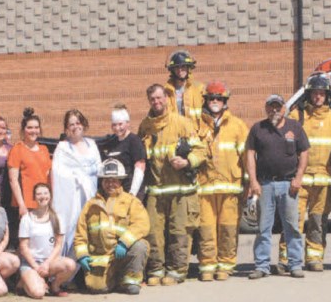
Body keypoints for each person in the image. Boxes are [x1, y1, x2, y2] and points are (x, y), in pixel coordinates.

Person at [138, 83, 207, 286]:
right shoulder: (145, 126)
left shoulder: (182, 123)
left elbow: (201, 151)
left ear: (167, 99)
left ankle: (177, 271)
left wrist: (187, 162)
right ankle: (156, 270)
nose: (157, 102)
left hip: (181, 191)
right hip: (156, 191)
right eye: (152, 99)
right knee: (153, 233)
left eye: (160, 98)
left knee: (179, 231)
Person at [278, 72, 331, 272]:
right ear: (309, 94)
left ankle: (314, 258)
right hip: (300, 179)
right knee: (293, 221)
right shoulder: (297, 116)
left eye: (321, 93)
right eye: (314, 93)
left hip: (324, 180)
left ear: (327, 95)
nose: (318, 97)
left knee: (318, 221)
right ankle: (287, 258)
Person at [246, 94, 310, 280]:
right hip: (265, 184)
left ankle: (295, 264)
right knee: (263, 227)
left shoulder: (295, 127)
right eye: (271, 107)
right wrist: (253, 181)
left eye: (278, 107)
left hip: (288, 184)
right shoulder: (258, 128)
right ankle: (262, 265)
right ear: (266, 108)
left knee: (292, 226)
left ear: (284, 108)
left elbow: (304, 153)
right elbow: (250, 154)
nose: (275, 110)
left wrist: (298, 178)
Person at [196, 80, 249, 281]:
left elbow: (246, 157)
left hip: (230, 188)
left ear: (225, 100)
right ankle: (208, 266)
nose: (215, 101)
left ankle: (225, 265)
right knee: (207, 229)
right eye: (212, 98)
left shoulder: (237, 125)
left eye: (219, 98)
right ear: (206, 100)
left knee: (228, 228)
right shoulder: (197, 124)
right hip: (205, 188)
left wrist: (247, 183)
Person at [74, 159, 150, 295]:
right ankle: (114, 281)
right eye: (106, 180)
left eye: (114, 180)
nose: (110, 184)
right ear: (101, 182)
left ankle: (130, 281)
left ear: (120, 181)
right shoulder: (90, 205)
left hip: (122, 253)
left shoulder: (131, 201)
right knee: (97, 289)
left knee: (140, 245)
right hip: (102, 258)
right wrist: (82, 255)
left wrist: (124, 242)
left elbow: (142, 224)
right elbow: (81, 233)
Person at [51, 109, 101, 257]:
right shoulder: (63, 148)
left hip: (90, 195)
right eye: (71, 124)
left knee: (90, 229)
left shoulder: (92, 144)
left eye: (78, 122)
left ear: (83, 124)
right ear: (67, 128)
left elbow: (99, 167)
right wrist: (77, 177)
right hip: (71, 199)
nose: (75, 126)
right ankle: (67, 270)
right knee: (72, 229)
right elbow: (58, 172)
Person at [17, 183, 77, 299]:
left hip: (49, 263)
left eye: (45, 193)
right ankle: (23, 282)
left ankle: (54, 286)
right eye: (39, 194)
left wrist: (46, 264)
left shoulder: (58, 218)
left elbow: (58, 245)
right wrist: (36, 267)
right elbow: (23, 247)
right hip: (31, 263)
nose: (42, 196)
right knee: (38, 293)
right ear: (34, 197)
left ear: (50, 196)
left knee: (70, 265)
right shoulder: (27, 218)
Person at [7, 107, 52, 220]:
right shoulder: (17, 149)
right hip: (27, 204)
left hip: (43, 202)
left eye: (36, 127)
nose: (33, 131)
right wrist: (21, 205)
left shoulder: (44, 149)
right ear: (23, 130)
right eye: (30, 127)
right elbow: (13, 180)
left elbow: (48, 176)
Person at [101, 103, 147, 199]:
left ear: (128, 123)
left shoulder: (134, 141)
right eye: (114, 125)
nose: (117, 128)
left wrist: (133, 193)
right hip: (115, 193)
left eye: (120, 124)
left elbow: (140, 167)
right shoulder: (111, 141)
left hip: (130, 193)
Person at [163, 48, 205, 123]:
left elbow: (207, 115)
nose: (180, 70)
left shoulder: (199, 88)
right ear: (172, 70)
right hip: (174, 132)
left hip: (195, 132)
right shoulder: (166, 91)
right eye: (177, 67)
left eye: (183, 67)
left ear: (188, 68)